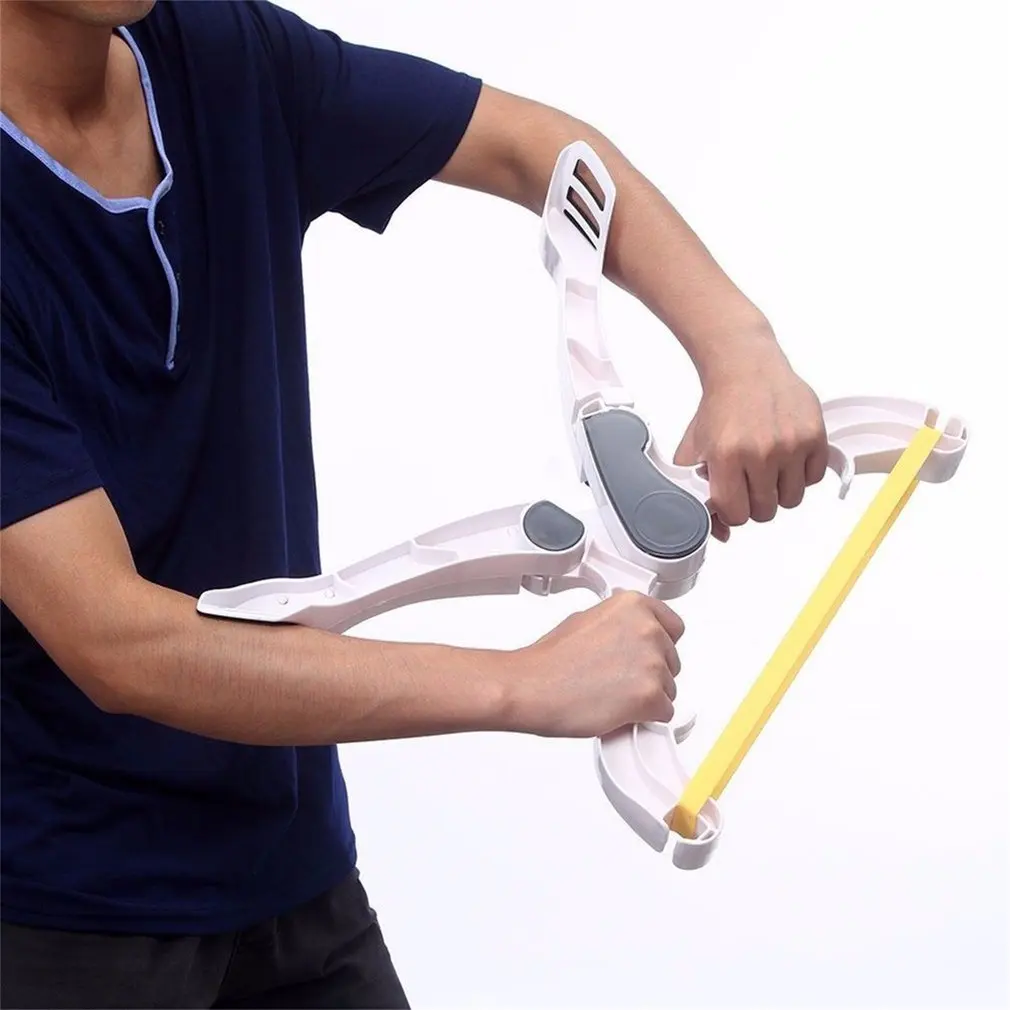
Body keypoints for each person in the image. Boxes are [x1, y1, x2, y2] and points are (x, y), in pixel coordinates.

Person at [0, 1, 829, 1006]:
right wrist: (522, 682)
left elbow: (538, 150)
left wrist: (738, 348)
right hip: (60, 910)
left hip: (292, 872)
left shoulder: (217, 52)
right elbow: (120, 642)